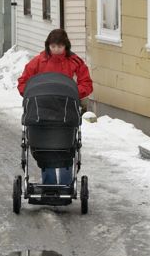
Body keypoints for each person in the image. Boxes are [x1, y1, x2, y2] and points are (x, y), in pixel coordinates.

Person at [17, 29, 93, 186]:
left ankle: (66, 184)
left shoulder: (75, 62)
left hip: (66, 109)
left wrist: (73, 92)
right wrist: (31, 93)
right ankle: (49, 184)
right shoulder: (38, 62)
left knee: (65, 147)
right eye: (53, 46)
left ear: (66, 46)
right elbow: (23, 81)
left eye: (60, 46)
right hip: (41, 109)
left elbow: (86, 83)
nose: (57, 50)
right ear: (48, 46)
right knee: (45, 147)